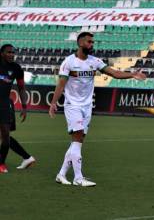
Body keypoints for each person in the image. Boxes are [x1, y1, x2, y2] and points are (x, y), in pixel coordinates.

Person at [48, 32, 146, 187]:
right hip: (73, 105)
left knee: (77, 141)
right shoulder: (69, 62)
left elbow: (114, 73)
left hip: (87, 107)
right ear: (80, 43)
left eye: (93, 42)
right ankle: (78, 178)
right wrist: (53, 103)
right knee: (78, 139)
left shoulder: (95, 61)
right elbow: (61, 84)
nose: (92, 44)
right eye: (89, 42)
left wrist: (132, 74)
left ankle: (61, 174)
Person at [0, 44, 35, 173]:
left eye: (13, 52)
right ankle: (27, 157)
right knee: (4, 136)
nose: (11, 54)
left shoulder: (16, 68)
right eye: (8, 52)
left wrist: (25, 106)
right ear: (1, 53)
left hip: (4, 104)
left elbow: (21, 88)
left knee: (5, 136)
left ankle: (1, 163)